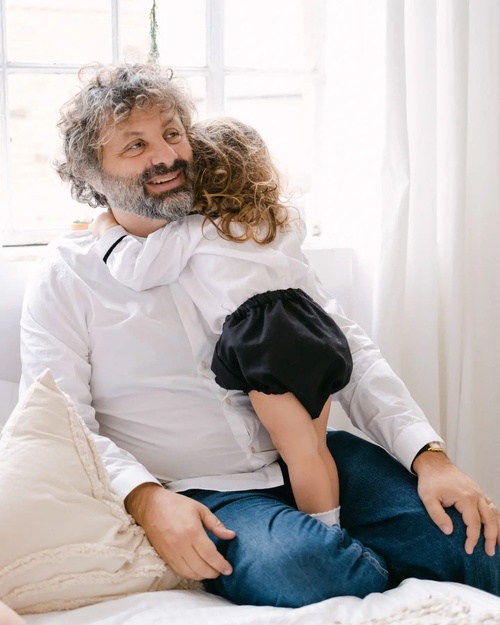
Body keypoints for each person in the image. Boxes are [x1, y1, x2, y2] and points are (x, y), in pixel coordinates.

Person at [20, 62, 499, 608]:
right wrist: (146, 500)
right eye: (136, 145)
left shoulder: (242, 232)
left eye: (173, 133)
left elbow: (347, 347)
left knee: (474, 541)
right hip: (205, 490)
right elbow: (65, 422)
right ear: (90, 173)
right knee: (307, 572)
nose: (166, 155)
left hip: (317, 455)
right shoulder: (66, 275)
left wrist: (430, 457)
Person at [89, 116, 354, 528]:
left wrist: (106, 228)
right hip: (315, 330)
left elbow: (137, 270)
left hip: (266, 345)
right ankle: (335, 521)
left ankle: (327, 531)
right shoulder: (282, 218)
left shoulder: (195, 229)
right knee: (317, 447)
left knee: (298, 454)